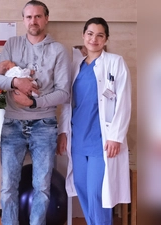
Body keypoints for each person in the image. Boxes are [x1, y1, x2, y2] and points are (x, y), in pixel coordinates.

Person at [0, 1, 71, 224]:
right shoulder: (12, 44)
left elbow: (64, 92)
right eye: (28, 17)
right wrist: (16, 81)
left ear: (46, 18)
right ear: (23, 20)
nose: (33, 21)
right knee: (8, 186)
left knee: (42, 187)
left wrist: (35, 104)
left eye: (38, 16)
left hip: (44, 124)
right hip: (12, 123)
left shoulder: (58, 50)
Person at [57, 17, 131, 225]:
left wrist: (116, 137)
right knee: (81, 186)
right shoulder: (75, 66)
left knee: (97, 192)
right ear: (83, 35)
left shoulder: (115, 63)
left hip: (102, 140)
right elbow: (66, 102)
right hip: (78, 138)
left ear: (106, 39)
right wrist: (63, 131)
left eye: (100, 35)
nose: (94, 39)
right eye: (90, 34)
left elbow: (124, 102)